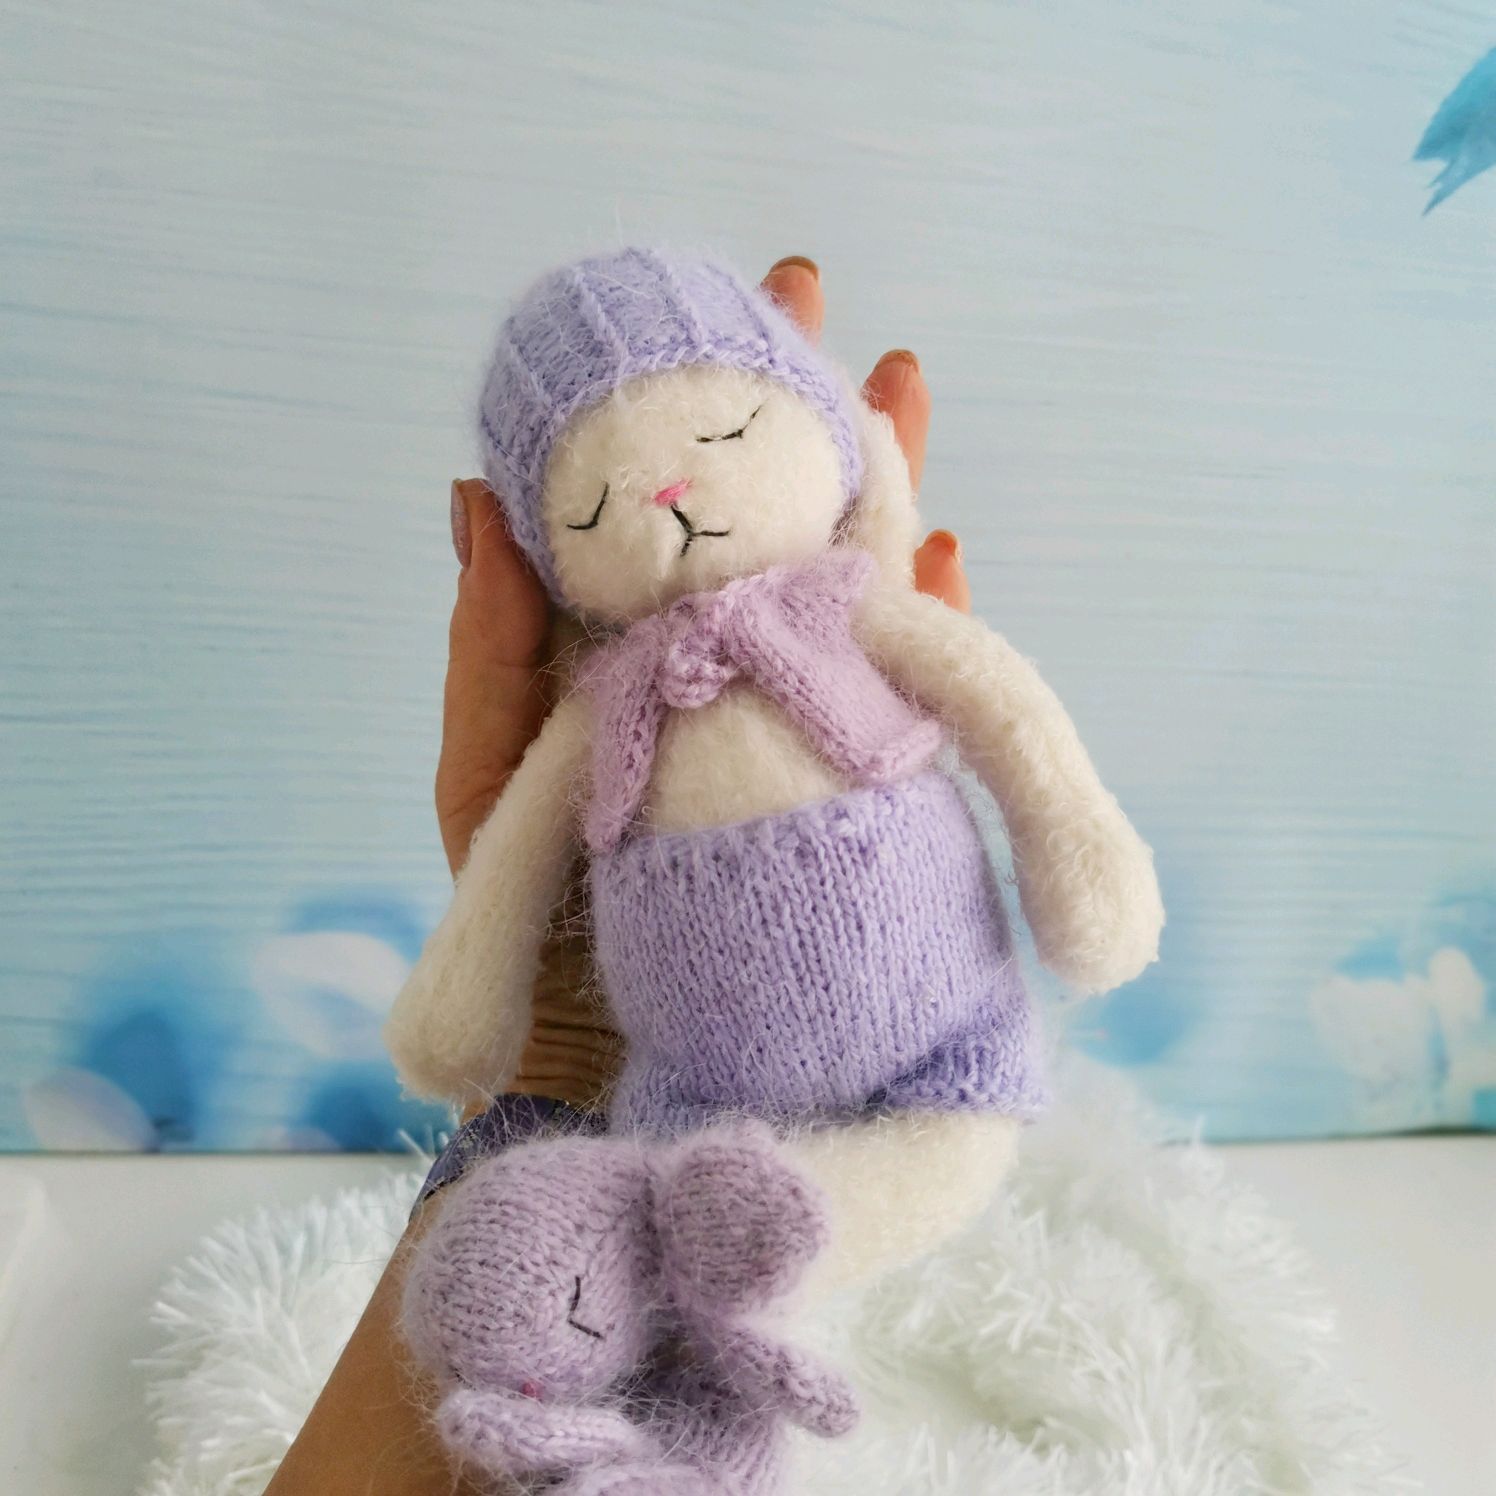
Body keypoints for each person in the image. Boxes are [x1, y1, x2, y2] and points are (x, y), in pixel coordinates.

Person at [265, 255, 969, 1496]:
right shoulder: (608, 703)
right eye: (592, 507)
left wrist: (1086, 869)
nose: (673, 495)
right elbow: (514, 857)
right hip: (684, 1090)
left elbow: (1011, 720)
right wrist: (497, 1028)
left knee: (811, 1210)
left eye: (729, 432)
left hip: (944, 1043)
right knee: (624, 1270)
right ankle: (654, 1455)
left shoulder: (855, 618)